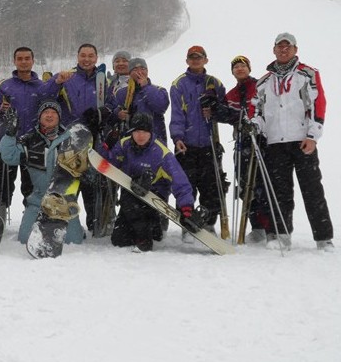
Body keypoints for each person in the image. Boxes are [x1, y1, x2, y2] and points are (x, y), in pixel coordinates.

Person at [251, 33, 334, 251]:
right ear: (274, 50)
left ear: (295, 50)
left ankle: (324, 238)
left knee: (312, 189)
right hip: (276, 142)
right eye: (280, 46)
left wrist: (313, 136)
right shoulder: (264, 82)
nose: (283, 50)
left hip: (302, 141)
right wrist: (254, 125)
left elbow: (318, 104)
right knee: (280, 191)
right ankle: (281, 234)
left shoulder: (307, 74)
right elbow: (257, 111)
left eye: (288, 47)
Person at [39, 43, 111, 233]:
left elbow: (114, 105)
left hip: (95, 138)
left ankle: (95, 224)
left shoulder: (103, 80)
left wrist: (102, 113)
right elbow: (44, 96)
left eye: (90, 56)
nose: (86, 59)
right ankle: (67, 225)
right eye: (83, 55)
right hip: (70, 139)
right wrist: (57, 82)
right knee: (70, 180)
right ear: (77, 57)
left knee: (93, 182)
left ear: (96, 58)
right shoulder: (67, 76)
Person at [102, 113, 195, 252]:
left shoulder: (161, 153)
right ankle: (154, 229)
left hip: (154, 195)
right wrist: (104, 147)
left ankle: (144, 240)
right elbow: (109, 163)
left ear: (151, 132)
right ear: (131, 132)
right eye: (137, 131)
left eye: (145, 132)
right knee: (119, 240)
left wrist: (186, 207)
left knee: (132, 203)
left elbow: (179, 180)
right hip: (131, 190)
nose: (140, 136)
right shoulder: (124, 144)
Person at [0, 100, 85, 244]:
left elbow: (86, 166)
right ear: (39, 117)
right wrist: (10, 134)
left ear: (59, 117)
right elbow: (9, 156)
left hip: (65, 202)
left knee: (74, 242)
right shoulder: (29, 140)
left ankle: (76, 228)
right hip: (38, 201)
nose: (49, 115)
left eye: (53, 113)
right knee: (25, 240)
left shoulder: (71, 140)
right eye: (45, 112)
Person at [169, 45, 231, 240]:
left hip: (209, 143)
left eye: (199, 57)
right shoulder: (179, 84)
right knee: (186, 186)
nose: (195, 60)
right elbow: (177, 114)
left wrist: (215, 109)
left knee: (211, 186)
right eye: (192, 57)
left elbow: (225, 111)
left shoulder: (215, 83)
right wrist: (177, 137)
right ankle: (187, 225)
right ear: (187, 60)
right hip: (186, 145)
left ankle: (208, 222)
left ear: (206, 60)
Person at [224, 55, 273, 242]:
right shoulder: (232, 94)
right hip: (242, 142)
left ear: (249, 68)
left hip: (261, 140)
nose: (239, 69)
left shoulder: (259, 86)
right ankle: (256, 226)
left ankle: (269, 227)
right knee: (246, 185)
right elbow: (225, 113)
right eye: (235, 66)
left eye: (242, 65)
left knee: (262, 185)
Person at [0, 47, 42, 217]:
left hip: (33, 144)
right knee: (3, 184)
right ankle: (0, 215)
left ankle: (31, 216)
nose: (24, 61)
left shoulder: (41, 86)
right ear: (14, 61)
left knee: (31, 185)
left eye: (27, 58)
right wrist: (1, 110)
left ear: (33, 61)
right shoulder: (5, 85)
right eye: (20, 58)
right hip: (8, 143)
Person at [112, 58, 169, 143]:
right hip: (130, 141)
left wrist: (146, 87)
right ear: (130, 73)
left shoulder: (159, 90)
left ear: (147, 71)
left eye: (142, 69)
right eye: (135, 69)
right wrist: (118, 113)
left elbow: (161, 107)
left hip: (155, 141)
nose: (139, 72)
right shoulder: (122, 93)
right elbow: (114, 110)